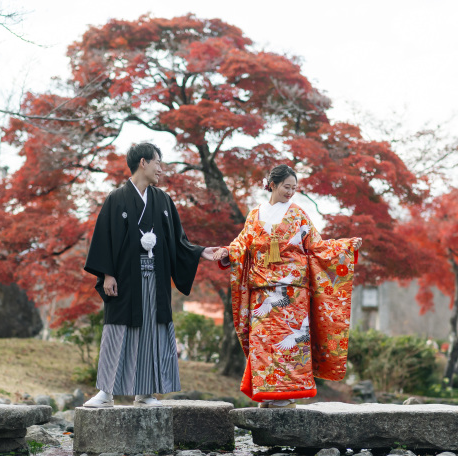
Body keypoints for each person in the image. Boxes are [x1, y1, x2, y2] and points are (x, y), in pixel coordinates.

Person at [82, 142, 219, 408]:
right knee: (117, 330)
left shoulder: (163, 200)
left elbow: (178, 240)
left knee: (151, 333)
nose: (161, 168)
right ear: (143, 162)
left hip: (155, 278)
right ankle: (105, 393)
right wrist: (107, 274)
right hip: (124, 278)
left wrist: (201, 252)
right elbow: (104, 239)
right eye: (158, 162)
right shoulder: (116, 198)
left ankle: (145, 393)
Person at [214, 164, 360, 408]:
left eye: (294, 188)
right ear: (272, 185)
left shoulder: (298, 214)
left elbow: (317, 246)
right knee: (262, 343)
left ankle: (287, 395)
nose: (291, 192)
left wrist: (346, 246)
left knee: (289, 340)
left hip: (292, 291)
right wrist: (227, 252)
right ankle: (266, 393)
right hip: (261, 290)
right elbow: (241, 245)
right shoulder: (254, 215)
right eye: (286, 187)